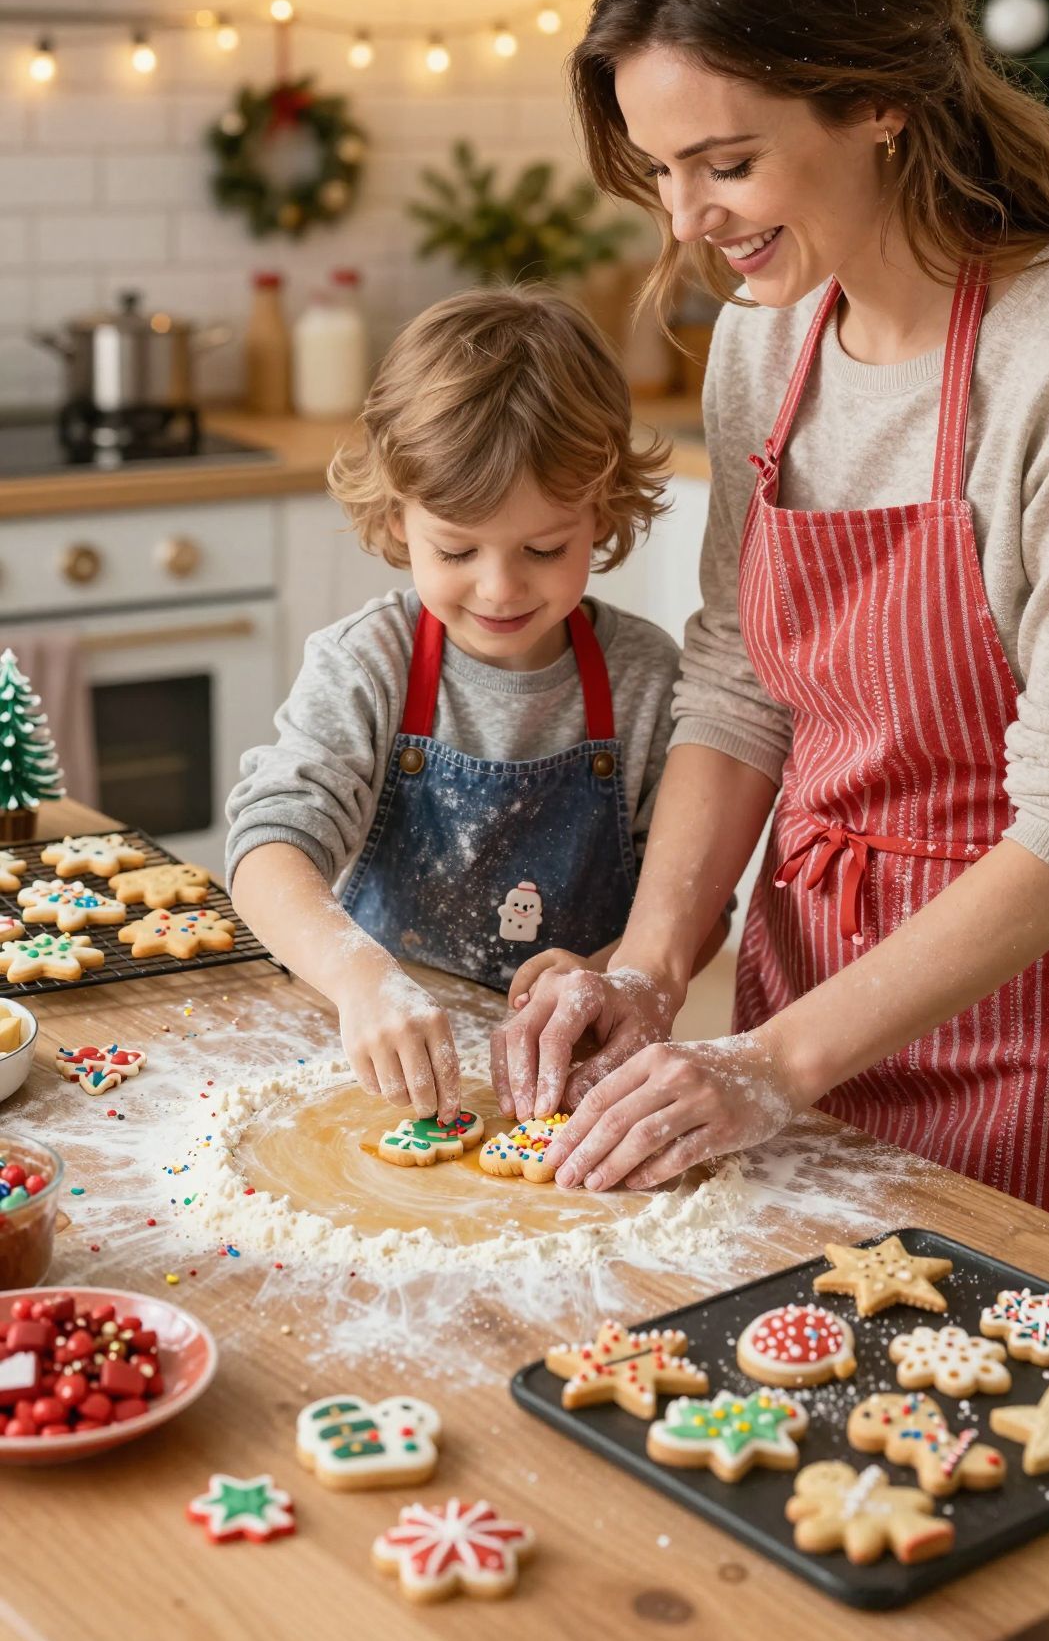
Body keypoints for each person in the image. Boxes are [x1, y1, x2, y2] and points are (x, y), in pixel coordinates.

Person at [493, 0, 1049, 1253]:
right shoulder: (765, 340)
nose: (686, 223)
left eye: (727, 165)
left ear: (878, 102)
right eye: (661, 173)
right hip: (797, 1008)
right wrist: (654, 969)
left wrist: (770, 1066)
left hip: (1035, 1029)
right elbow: (740, 686)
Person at [227, 285, 724, 1117]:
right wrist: (360, 977)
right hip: (379, 1065)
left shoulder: (646, 679)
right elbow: (268, 847)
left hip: (569, 1079)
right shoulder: (371, 663)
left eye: (543, 546)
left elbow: (697, 905)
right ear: (397, 521)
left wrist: (603, 973)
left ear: (601, 514)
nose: (499, 588)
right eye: (456, 548)